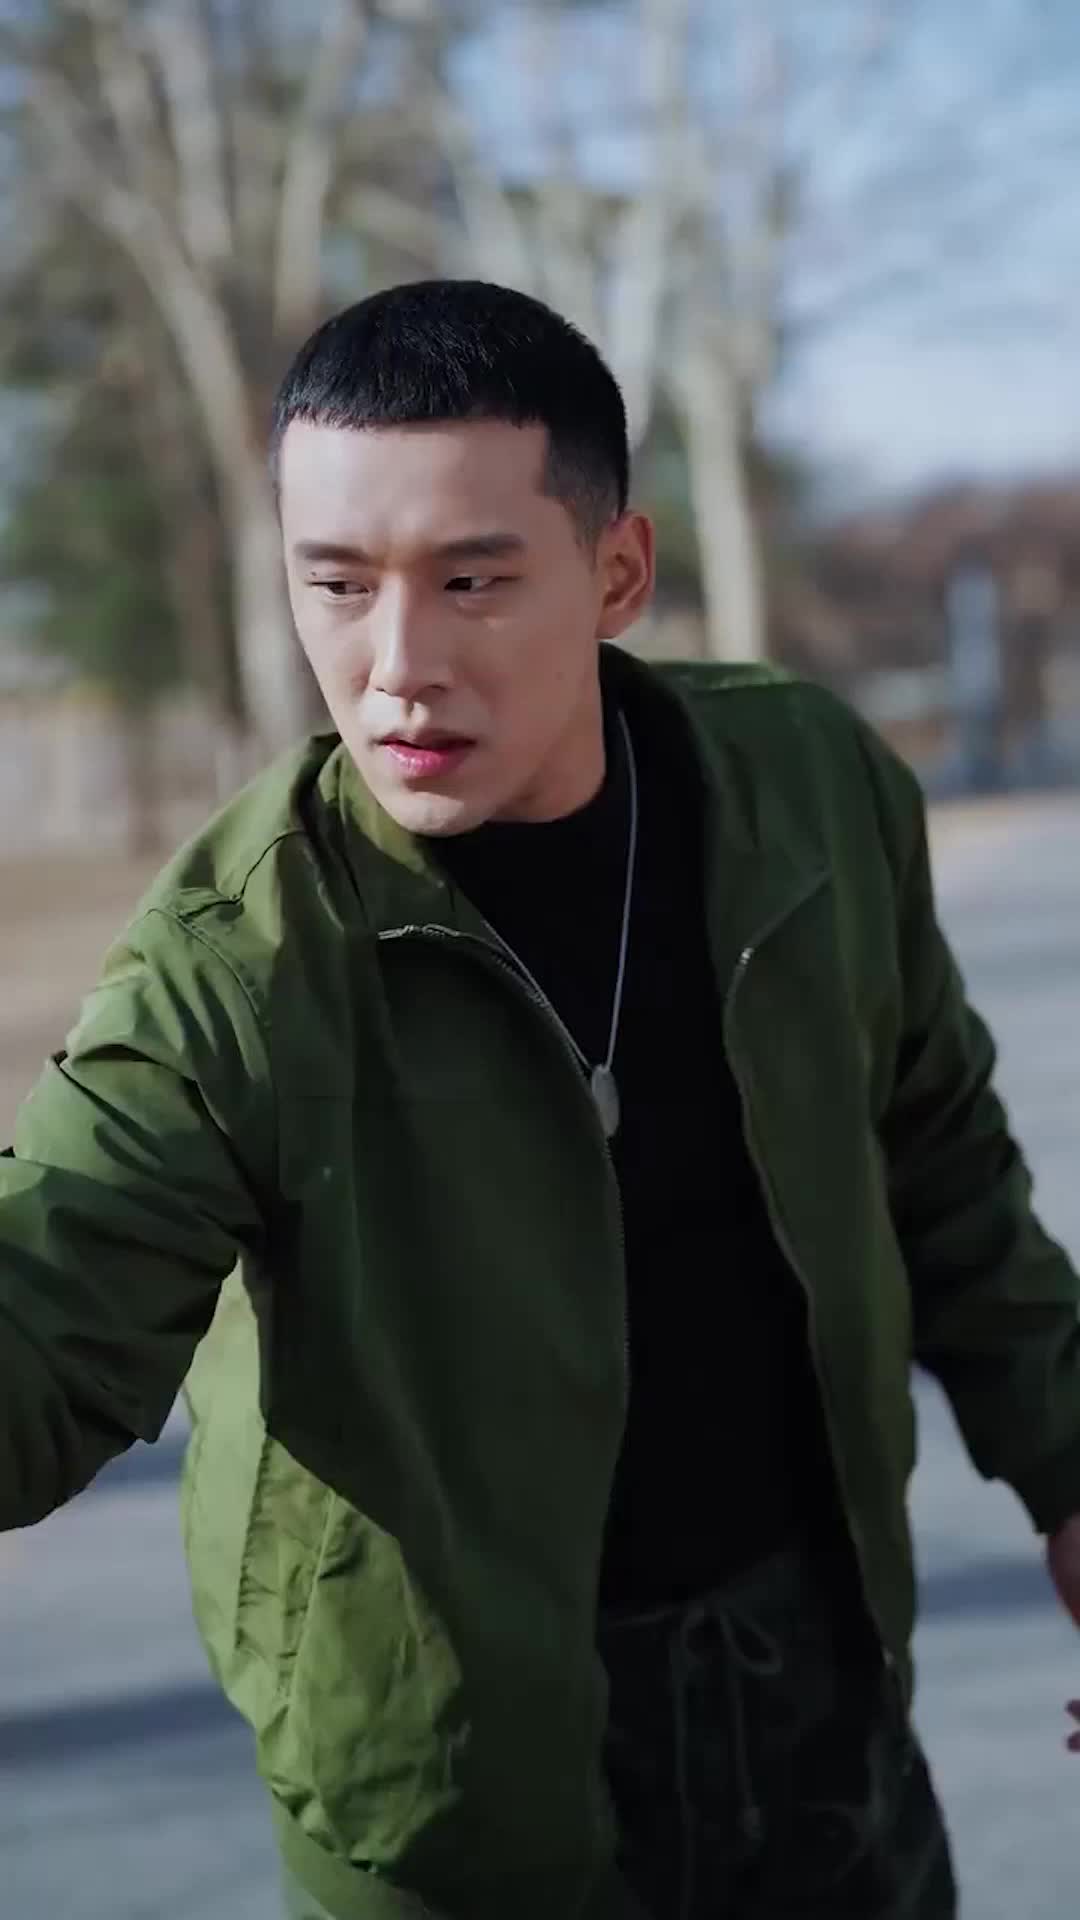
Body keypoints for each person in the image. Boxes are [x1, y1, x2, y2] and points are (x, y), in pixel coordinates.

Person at [1, 279, 1078, 1920]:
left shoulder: (806, 792)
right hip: (456, 1792)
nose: (397, 666)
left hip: (824, 1701)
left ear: (617, 573)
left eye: (474, 580)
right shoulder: (235, 964)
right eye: (337, 583)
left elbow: (942, 1164)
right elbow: (47, 1318)